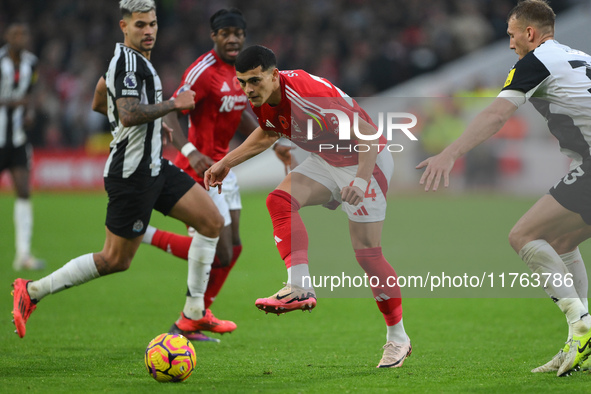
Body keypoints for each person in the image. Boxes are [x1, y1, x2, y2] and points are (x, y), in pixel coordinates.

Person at [11, 0, 235, 340]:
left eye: (153, 24)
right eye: (140, 25)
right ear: (124, 26)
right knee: (115, 260)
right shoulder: (128, 64)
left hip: (154, 165)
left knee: (211, 221)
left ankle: (193, 313)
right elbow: (128, 112)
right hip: (132, 175)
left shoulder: (134, 61)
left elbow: (101, 98)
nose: (148, 31)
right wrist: (172, 105)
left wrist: (150, 124)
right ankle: (32, 290)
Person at [205, 45, 412, 368]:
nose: (248, 89)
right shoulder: (263, 97)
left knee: (368, 256)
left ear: (274, 76)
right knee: (279, 200)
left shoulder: (309, 95)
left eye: (254, 81)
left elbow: (369, 137)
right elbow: (268, 133)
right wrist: (226, 163)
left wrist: (359, 180)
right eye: (243, 82)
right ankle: (300, 286)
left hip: (365, 161)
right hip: (326, 159)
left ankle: (398, 338)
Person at [417, 0, 591, 377]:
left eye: (512, 36)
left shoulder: (536, 60)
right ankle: (580, 339)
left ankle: (582, 327)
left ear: (530, 33)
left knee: (523, 235)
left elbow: (497, 114)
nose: (510, 44)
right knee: (561, 244)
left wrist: (449, 153)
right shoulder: (580, 55)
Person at [0, 22, 45, 271]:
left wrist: (29, 111)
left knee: (24, 191)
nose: (21, 37)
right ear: (7, 37)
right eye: (16, 33)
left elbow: (33, 91)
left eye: (24, 33)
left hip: (17, 138)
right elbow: (19, 98)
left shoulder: (32, 63)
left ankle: (23, 254)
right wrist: (16, 103)